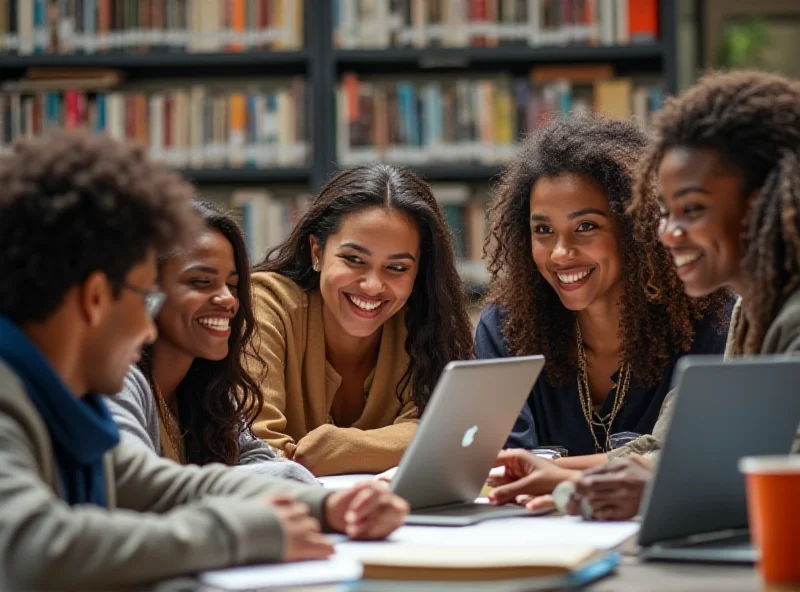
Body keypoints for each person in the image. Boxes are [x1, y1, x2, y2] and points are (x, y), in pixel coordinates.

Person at [0, 130, 407, 590]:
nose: (148, 328)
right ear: (96, 298)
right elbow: (32, 550)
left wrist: (328, 508)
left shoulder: (60, 396)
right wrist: (243, 533)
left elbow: (169, 486)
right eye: (143, 299)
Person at [492, 70, 800, 520]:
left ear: (761, 204)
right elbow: (672, 445)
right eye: (665, 213)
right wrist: (570, 476)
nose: (669, 235)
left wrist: (654, 489)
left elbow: (786, 470)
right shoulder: (751, 315)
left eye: (692, 210)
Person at [476, 115, 732, 495]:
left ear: (636, 229)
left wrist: (558, 474)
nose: (561, 253)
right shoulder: (504, 329)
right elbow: (509, 465)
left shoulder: (712, 322)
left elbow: (693, 458)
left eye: (586, 227)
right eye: (543, 230)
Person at [249, 163, 474, 476]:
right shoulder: (266, 304)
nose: (372, 286)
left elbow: (454, 436)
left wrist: (341, 449)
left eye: (396, 268)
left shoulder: (424, 319)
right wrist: (398, 444)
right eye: (353, 260)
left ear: (418, 272)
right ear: (317, 252)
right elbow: (258, 454)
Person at [106, 199, 315, 483]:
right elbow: (136, 484)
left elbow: (261, 462)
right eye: (201, 282)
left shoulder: (207, 386)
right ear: (146, 289)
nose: (228, 299)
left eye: (232, 285)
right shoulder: (118, 380)